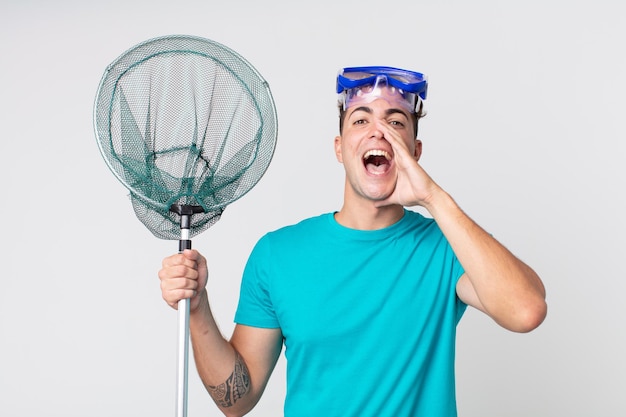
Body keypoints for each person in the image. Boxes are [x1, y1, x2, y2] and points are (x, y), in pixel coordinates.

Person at [158, 66, 547, 417]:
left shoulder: (446, 247)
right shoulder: (277, 254)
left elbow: (526, 310)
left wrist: (433, 198)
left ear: (415, 151)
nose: (378, 131)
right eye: (361, 120)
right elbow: (237, 401)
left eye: (396, 122)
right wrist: (197, 308)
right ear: (340, 149)